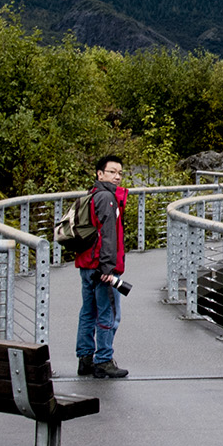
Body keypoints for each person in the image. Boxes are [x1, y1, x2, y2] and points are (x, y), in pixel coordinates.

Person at [74, 154, 130, 378]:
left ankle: (85, 358)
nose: (117, 177)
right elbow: (108, 235)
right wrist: (108, 269)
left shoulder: (92, 195)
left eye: (120, 173)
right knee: (107, 314)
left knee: (88, 312)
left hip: (87, 265)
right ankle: (104, 360)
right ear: (100, 174)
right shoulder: (107, 198)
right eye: (112, 172)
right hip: (101, 268)